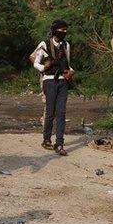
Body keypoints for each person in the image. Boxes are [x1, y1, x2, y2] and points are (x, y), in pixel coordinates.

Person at [32, 20, 74, 156]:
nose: (64, 33)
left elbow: (68, 63)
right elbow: (35, 62)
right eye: (61, 30)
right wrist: (45, 67)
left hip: (63, 81)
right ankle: (46, 139)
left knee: (61, 112)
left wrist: (70, 72)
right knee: (50, 112)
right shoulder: (44, 44)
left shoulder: (66, 45)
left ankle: (60, 143)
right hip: (49, 80)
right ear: (55, 30)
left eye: (65, 30)